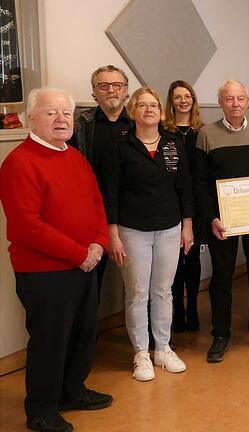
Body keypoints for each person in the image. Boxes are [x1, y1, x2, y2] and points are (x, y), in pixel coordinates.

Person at [0, 88, 112, 432]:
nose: (61, 119)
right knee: (51, 340)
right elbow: (26, 226)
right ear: (32, 118)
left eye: (66, 113)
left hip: (85, 265)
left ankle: (72, 391)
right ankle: (41, 410)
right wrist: (81, 253)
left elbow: (96, 203)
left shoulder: (75, 157)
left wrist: (100, 243)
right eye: (51, 113)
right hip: (45, 272)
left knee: (83, 333)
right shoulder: (19, 162)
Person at [102, 87, 193, 381]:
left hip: (169, 227)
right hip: (132, 230)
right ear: (133, 111)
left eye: (154, 105)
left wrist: (187, 226)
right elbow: (111, 193)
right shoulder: (121, 147)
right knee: (138, 292)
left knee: (163, 291)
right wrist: (112, 233)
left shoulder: (173, 143)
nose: (149, 109)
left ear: (161, 111)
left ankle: (163, 348)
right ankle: (141, 352)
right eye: (142, 105)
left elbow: (185, 186)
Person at [194, 80, 249, 362]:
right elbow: (200, 183)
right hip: (223, 223)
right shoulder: (206, 135)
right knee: (221, 278)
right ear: (220, 102)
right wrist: (212, 218)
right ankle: (221, 334)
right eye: (229, 99)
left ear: (247, 101)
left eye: (240, 98)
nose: (235, 104)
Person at [71, 65, 132, 296]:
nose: (111, 90)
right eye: (103, 85)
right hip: (94, 213)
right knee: (90, 279)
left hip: (132, 211)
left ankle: (143, 332)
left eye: (117, 85)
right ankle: (88, 332)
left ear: (126, 91)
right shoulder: (81, 124)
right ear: (94, 92)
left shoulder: (138, 123)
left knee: (139, 280)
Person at [164, 80, 205, 333]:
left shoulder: (202, 132)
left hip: (197, 203)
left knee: (193, 259)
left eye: (187, 96)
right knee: (175, 260)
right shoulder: (163, 131)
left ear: (193, 100)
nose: (183, 101)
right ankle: (178, 311)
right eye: (177, 97)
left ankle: (193, 309)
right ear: (171, 101)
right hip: (172, 201)